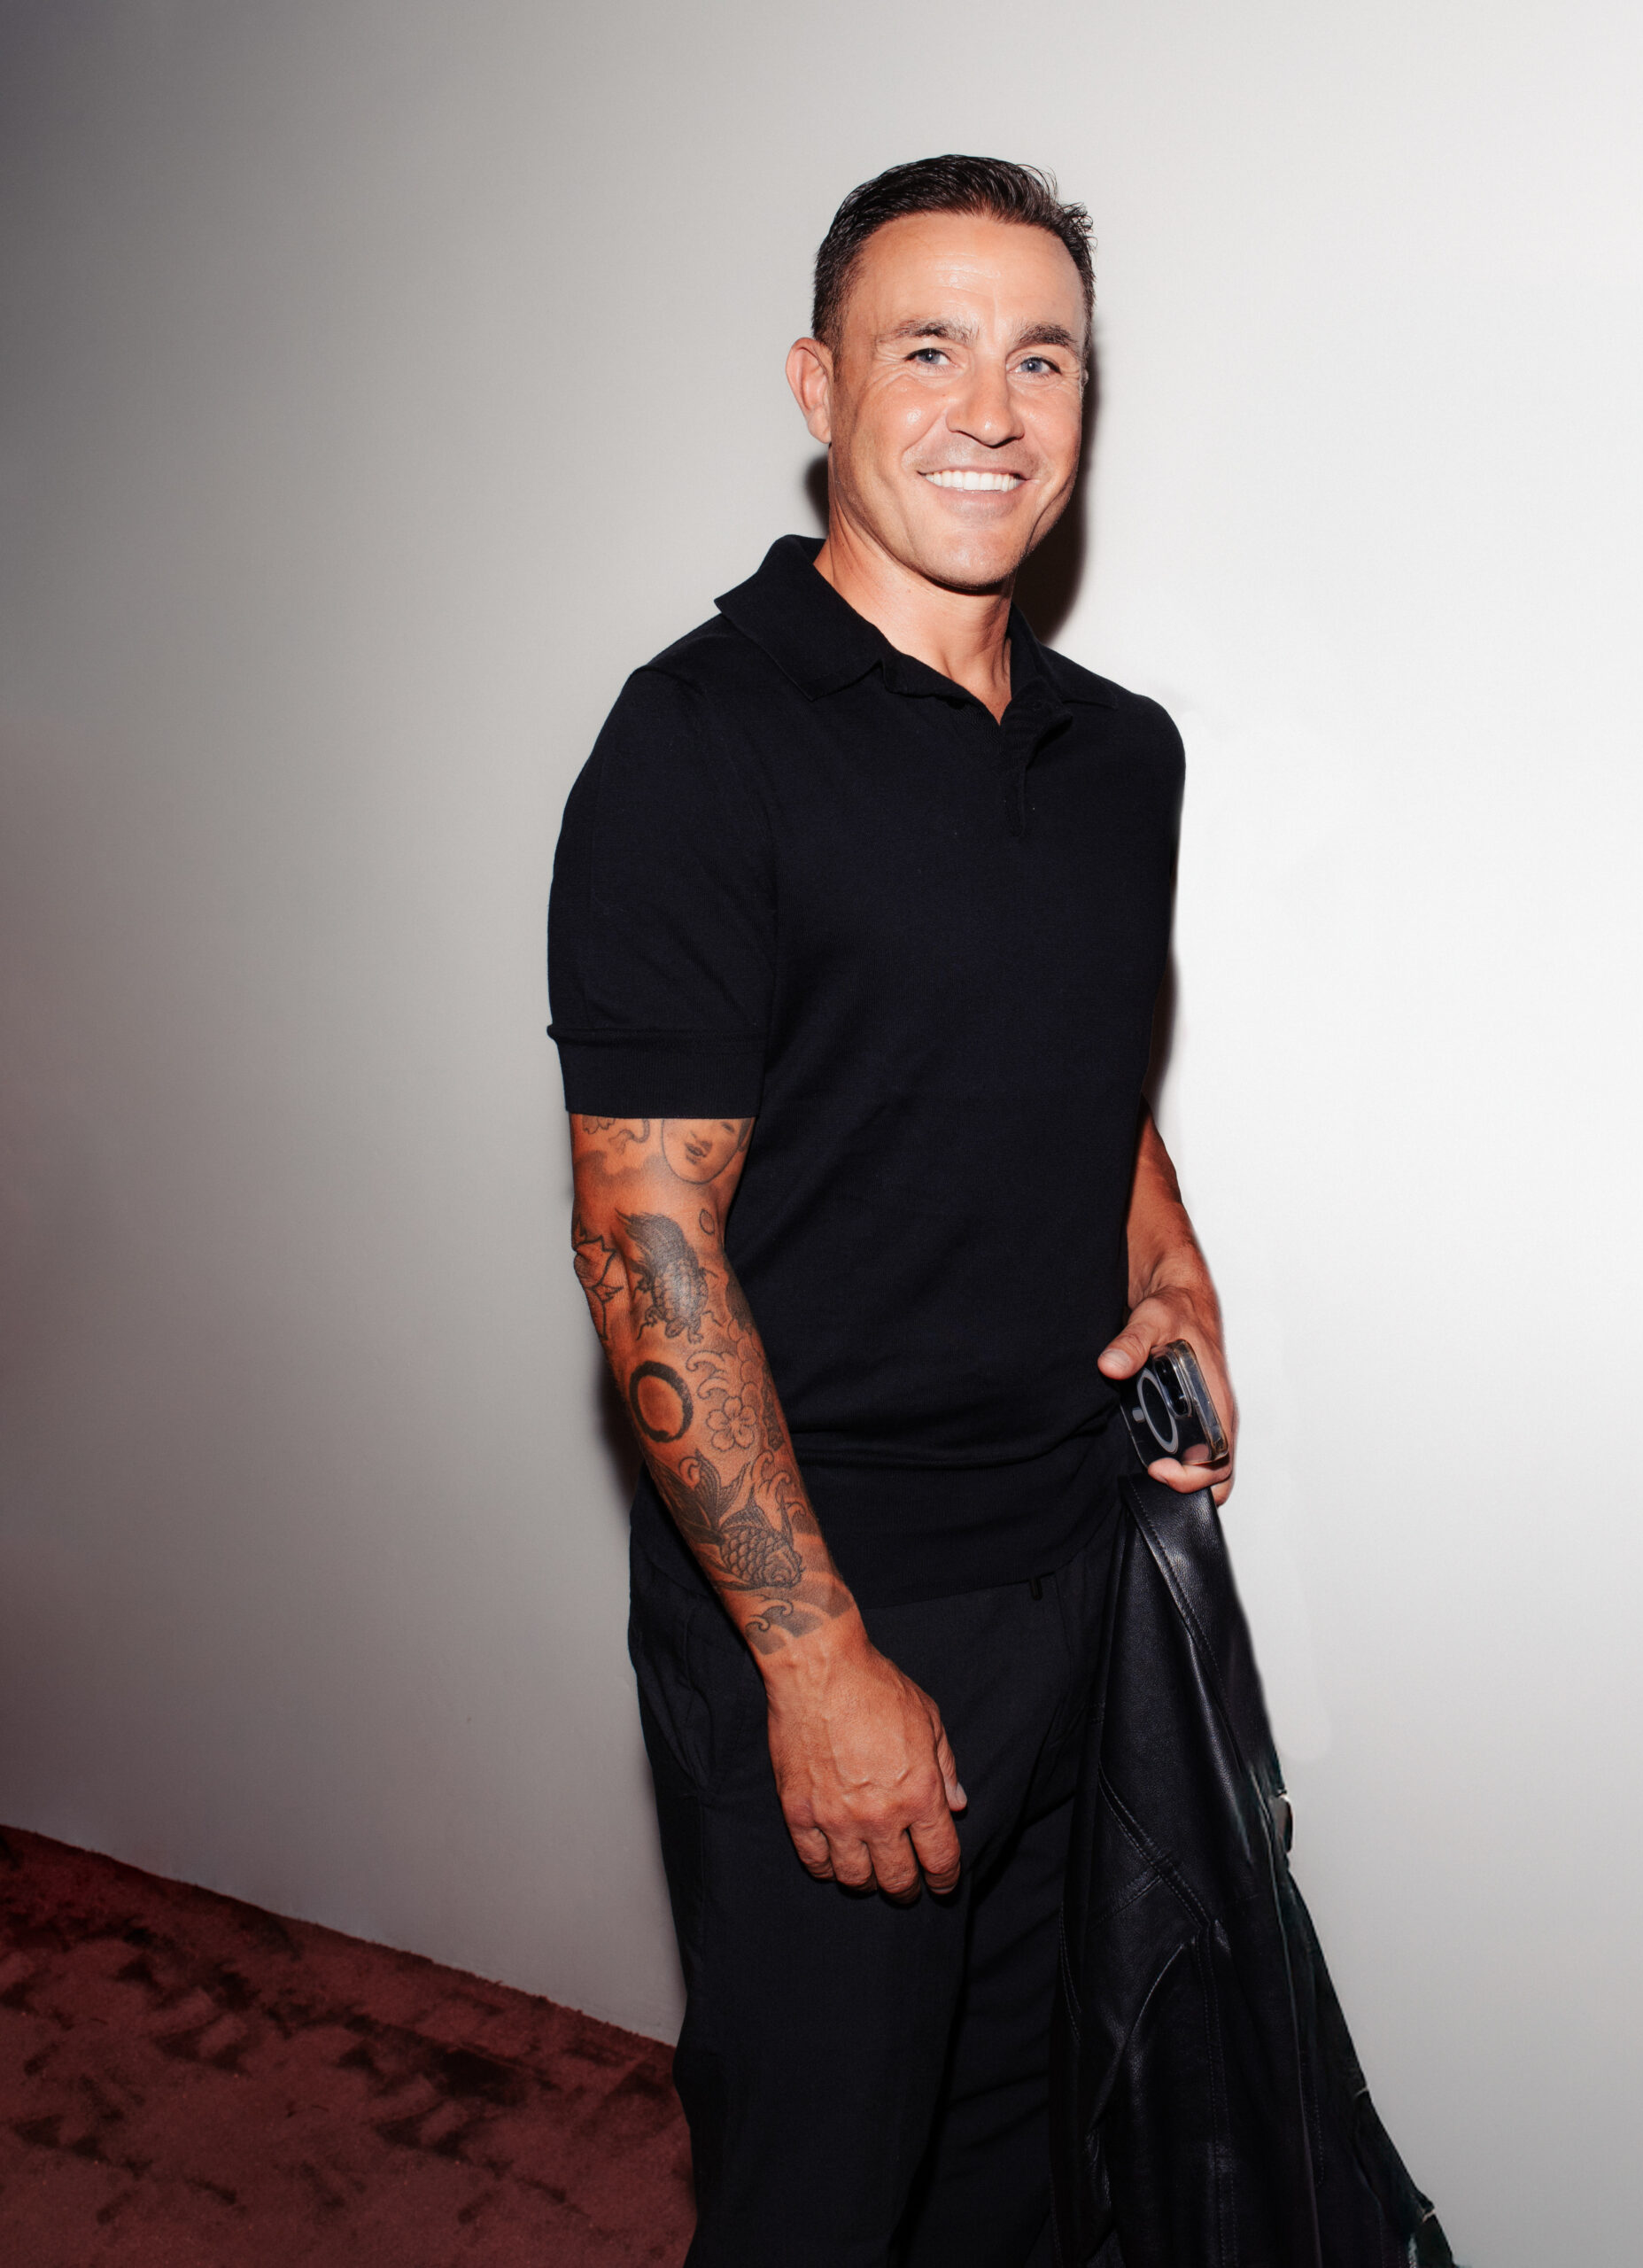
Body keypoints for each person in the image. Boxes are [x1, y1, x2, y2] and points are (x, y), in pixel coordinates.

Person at [547, 154, 1236, 2268]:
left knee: (1024, 2159)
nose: (991, 410)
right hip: (834, 1600)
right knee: (821, 2196)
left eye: (1044, 358)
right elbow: (645, 1238)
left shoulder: (1123, 755)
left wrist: (1169, 1250)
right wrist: (815, 1656)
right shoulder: (699, 742)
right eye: (925, 347)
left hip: (1074, 1567)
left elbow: (1081, 1059)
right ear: (816, 384)